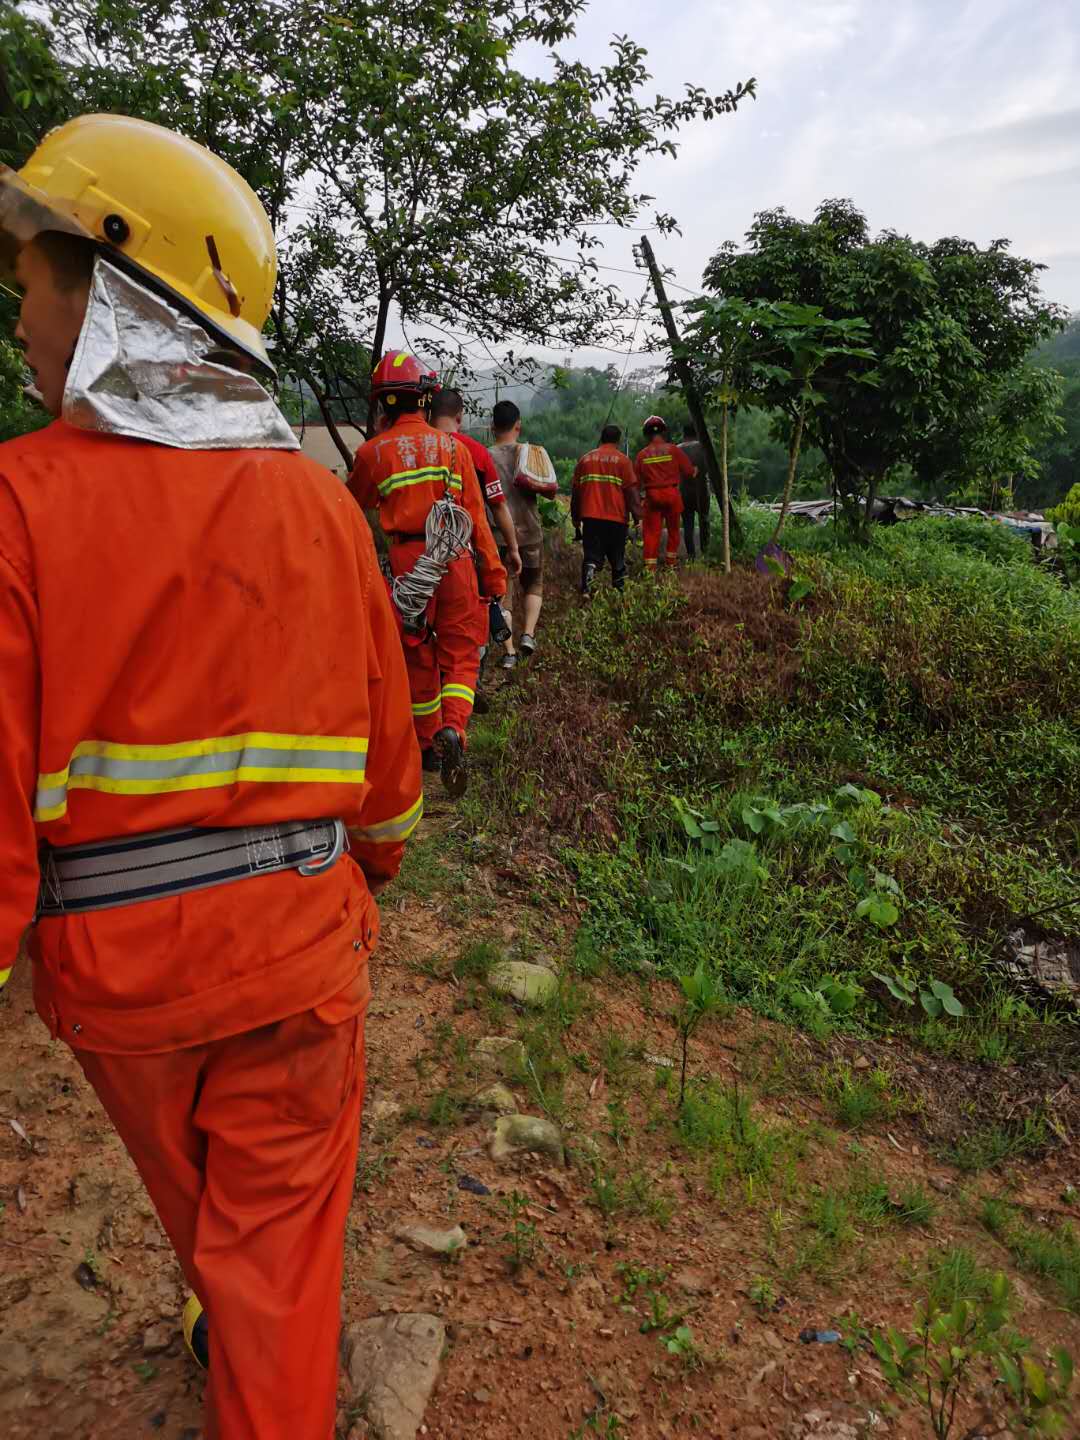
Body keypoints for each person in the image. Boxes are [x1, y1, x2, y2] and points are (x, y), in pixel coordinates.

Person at [0, 114, 421, 1440]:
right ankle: (260, 1352)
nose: (20, 319)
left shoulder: (17, 504)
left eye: (37, 285)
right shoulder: (316, 501)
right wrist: (384, 859)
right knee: (278, 1256)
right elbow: (388, 775)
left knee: (207, 1207)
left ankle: (232, 1314)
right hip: (297, 957)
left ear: (120, 296)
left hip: (116, 989)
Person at [348, 354, 507, 794]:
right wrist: (493, 580)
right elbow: (475, 519)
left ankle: (427, 748)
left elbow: (350, 512)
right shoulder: (454, 449)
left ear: (383, 404)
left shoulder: (370, 453)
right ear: (426, 398)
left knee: (417, 658)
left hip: (406, 568)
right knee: (460, 655)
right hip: (453, 558)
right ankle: (454, 727)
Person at [488, 399, 544, 667]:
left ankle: (509, 653)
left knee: (502, 594)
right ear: (518, 425)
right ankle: (529, 635)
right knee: (533, 583)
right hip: (530, 530)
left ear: (492, 427)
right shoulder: (530, 452)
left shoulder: (484, 457)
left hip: (497, 535)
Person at [571, 423, 641, 594]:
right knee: (617, 558)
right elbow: (631, 493)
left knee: (592, 556)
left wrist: (576, 518)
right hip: (617, 519)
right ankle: (619, 593)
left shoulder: (585, 460)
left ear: (601, 438)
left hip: (591, 518)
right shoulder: (623, 462)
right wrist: (638, 517)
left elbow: (576, 493)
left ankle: (587, 588)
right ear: (618, 440)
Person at [634, 414, 696, 573]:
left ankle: (650, 568)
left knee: (651, 533)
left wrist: (639, 502)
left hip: (652, 497)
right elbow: (689, 472)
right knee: (674, 530)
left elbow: (636, 483)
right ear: (663, 432)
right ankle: (670, 563)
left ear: (647, 433)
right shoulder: (673, 450)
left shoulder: (642, 455)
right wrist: (696, 470)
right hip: (672, 495)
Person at [679, 419, 711, 560]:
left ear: (684, 433)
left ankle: (691, 556)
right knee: (704, 520)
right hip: (701, 489)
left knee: (687, 524)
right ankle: (706, 552)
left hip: (683, 491)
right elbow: (708, 468)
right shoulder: (702, 447)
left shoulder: (677, 449)